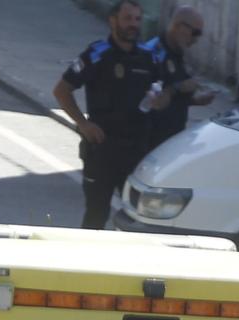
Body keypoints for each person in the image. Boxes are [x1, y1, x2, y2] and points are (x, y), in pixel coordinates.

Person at [54, 0, 160, 230]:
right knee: (96, 214)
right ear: (113, 21)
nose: (133, 25)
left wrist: (160, 99)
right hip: (102, 149)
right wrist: (83, 124)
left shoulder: (148, 58)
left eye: (137, 19)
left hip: (135, 152)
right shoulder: (97, 55)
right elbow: (62, 90)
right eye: (127, 18)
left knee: (136, 220)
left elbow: (162, 95)